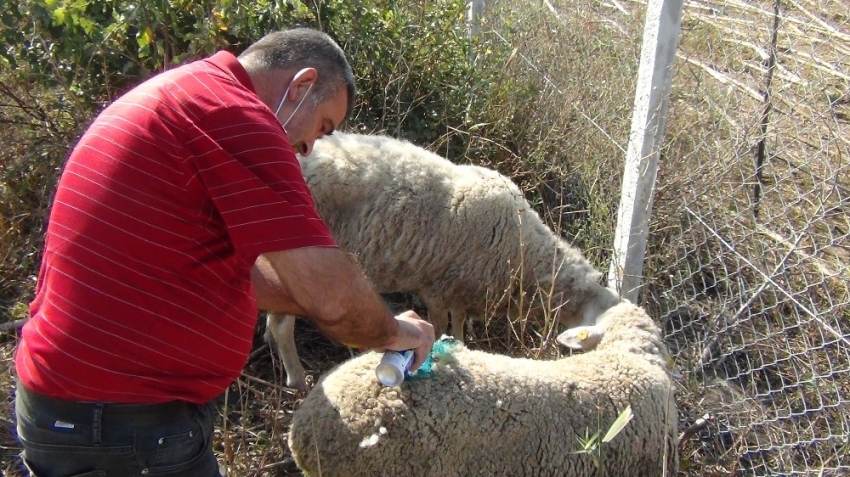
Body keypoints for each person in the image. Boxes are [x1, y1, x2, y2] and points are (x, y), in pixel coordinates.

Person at [13, 28, 435, 477]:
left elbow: (225, 273)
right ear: (302, 85)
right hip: (123, 423)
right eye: (323, 126)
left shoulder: (187, 93)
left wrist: (316, 303)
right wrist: (393, 332)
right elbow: (330, 297)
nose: (312, 146)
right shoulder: (234, 115)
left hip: (75, 410)